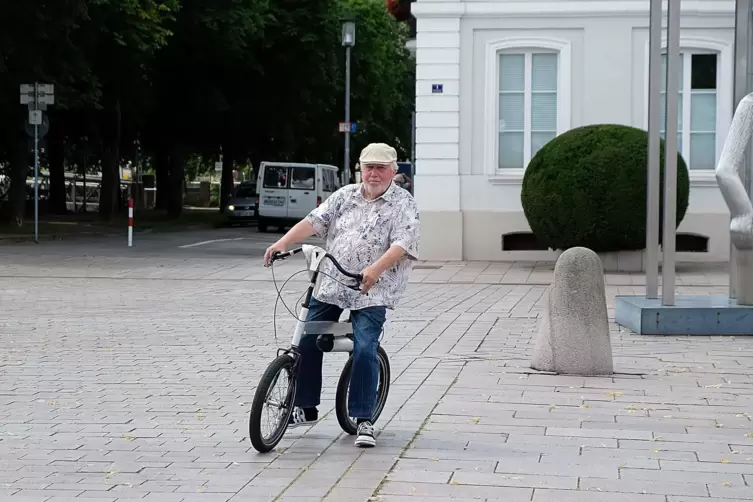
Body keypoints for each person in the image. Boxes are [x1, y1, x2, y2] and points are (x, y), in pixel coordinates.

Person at [263, 142, 420, 448]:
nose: (373, 173)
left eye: (380, 168)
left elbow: (402, 243)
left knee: (364, 348)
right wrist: (282, 242)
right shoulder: (345, 195)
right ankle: (305, 407)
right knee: (307, 340)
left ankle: (363, 418)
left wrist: (375, 269)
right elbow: (314, 221)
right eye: (368, 167)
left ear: (393, 170)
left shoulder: (404, 203)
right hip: (333, 283)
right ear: (360, 168)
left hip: (373, 289)